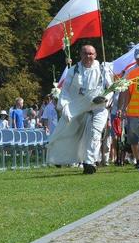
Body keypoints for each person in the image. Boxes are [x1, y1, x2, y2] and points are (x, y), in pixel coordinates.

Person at [48, 45, 114, 174]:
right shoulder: (74, 70)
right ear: (81, 54)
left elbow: (111, 88)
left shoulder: (103, 69)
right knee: (73, 134)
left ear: (95, 55)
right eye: (85, 53)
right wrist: (65, 106)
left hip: (99, 108)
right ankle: (61, 158)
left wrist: (105, 98)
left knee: (95, 134)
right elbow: (66, 90)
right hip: (79, 108)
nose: (88, 56)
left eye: (91, 54)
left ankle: (89, 163)